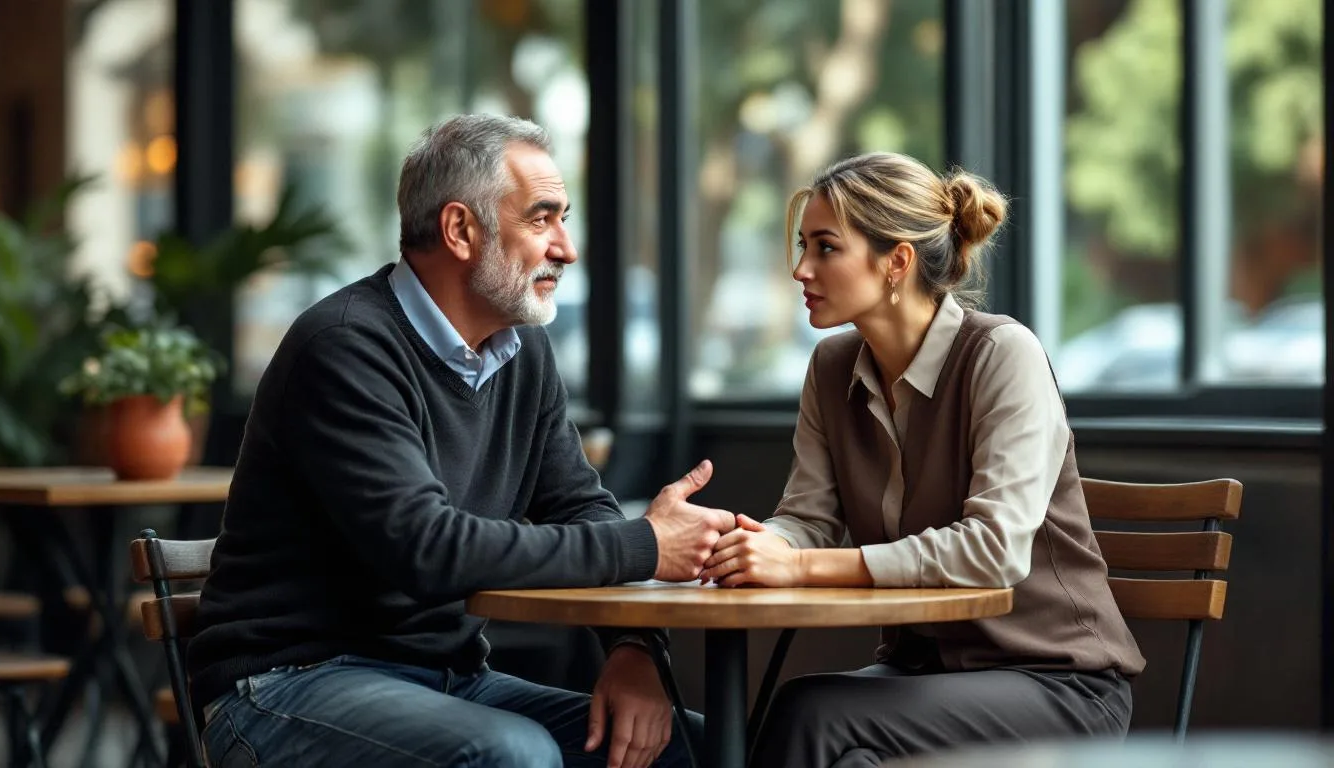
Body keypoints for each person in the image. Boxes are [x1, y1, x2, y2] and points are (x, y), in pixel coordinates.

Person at [188, 114, 731, 768]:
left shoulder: (523, 352)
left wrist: (636, 651)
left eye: (564, 219)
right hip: (286, 686)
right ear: (460, 230)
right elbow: (428, 548)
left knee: (696, 749)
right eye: (542, 219)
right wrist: (646, 543)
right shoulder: (345, 346)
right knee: (511, 754)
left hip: (450, 681)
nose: (567, 247)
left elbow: (577, 504)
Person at [698, 152, 1145, 768]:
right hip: (922, 677)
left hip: (1059, 685)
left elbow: (992, 550)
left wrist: (800, 565)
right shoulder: (830, 370)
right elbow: (808, 516)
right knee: (829, 737)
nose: (801, 269)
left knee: (811, 714)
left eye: (826, 247)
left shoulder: (1000, 354)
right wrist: (749, 545)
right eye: (802, 246)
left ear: (896, 262)